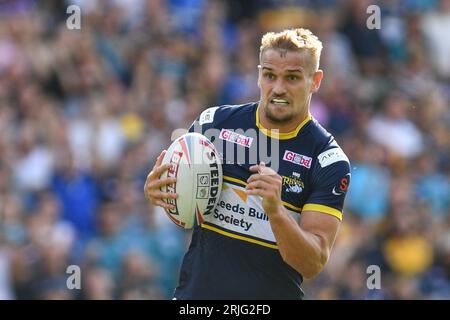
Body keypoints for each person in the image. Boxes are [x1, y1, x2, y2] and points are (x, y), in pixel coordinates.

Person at [144, 28, 351, 299]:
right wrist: (159, 192)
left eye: (292, 78)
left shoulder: (328, 160)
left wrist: (276, 212)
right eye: (269, 75)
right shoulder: (213, 124)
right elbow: (184, 212)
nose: (278, 88)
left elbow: (312, 263)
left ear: (315, 81)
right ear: (258, 75)